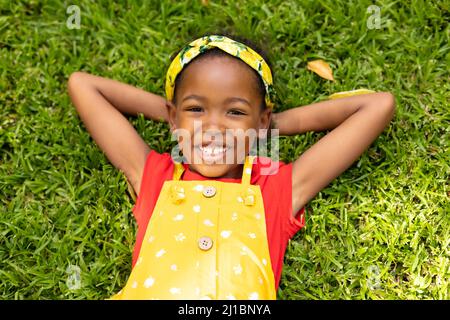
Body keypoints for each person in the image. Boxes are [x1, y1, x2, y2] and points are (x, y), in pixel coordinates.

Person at [67, 34, 395, 300]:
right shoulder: (156, 176)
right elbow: (83, 85)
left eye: (235, 113)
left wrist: (266, 126)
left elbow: (377, 105)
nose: (213, 127)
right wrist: (178, 119)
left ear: (261, 120)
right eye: (196, 108)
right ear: (172, 116)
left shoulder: (276, 188)